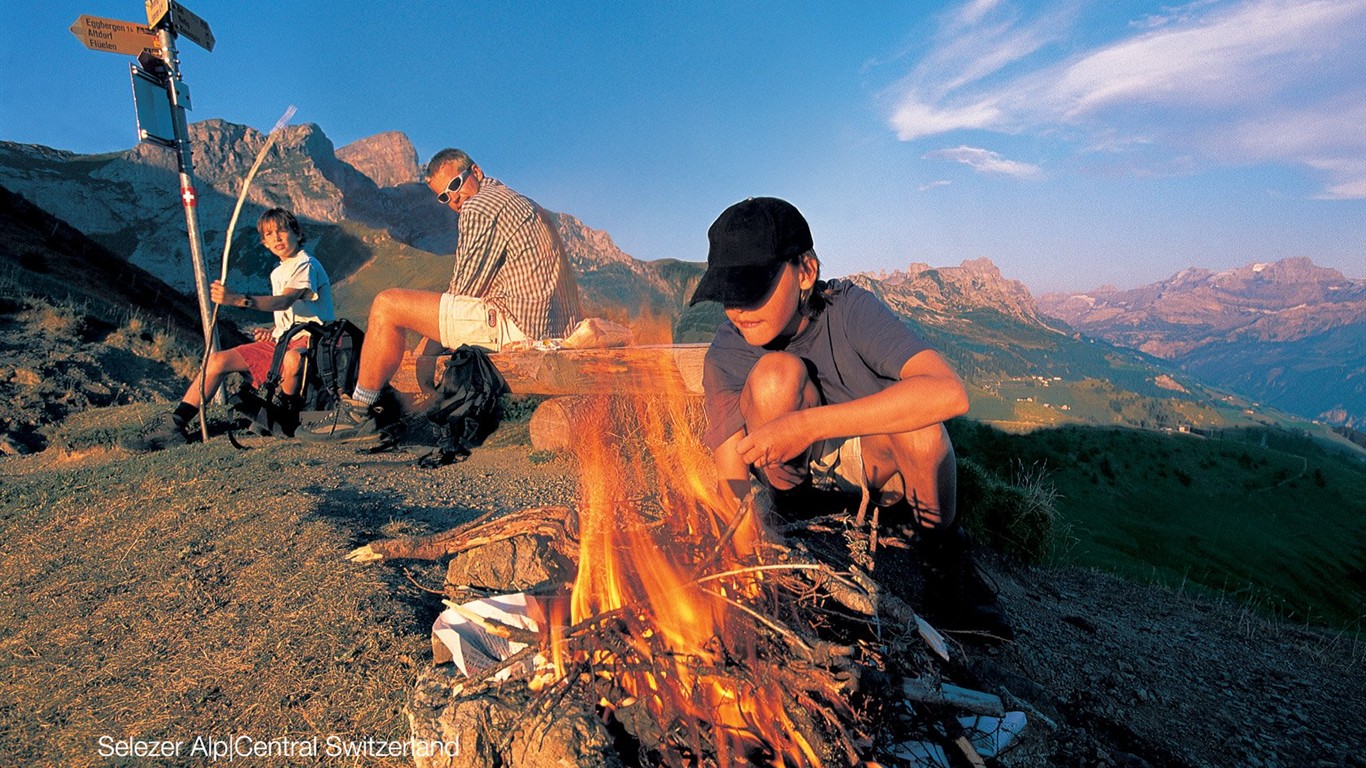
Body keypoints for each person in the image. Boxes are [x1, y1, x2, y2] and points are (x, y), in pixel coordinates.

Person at [691, 196, 1010, 640]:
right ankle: (799, 526)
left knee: (921, 427)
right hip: (793, 487)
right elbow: (732, 483)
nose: (739, 308)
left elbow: (948, 391)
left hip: (873, 467)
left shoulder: (850, 310)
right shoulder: (727, 353)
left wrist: (808, 426)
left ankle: (944, 563)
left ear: (806, 272)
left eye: (753, 288)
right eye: (728, 294)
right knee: (773, 376)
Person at [298, 148, 581, 443]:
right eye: (444, 196)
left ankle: (358, 411)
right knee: (421, 310)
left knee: (386, 305)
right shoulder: (520, 202)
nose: (453, 199)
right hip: (555, 328)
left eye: (455, 185)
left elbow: (463, 290)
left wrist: (428, 349)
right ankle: (379, 403)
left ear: (476, 172)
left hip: (521, 329)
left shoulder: (480, 206)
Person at [121, 208, 334, 451]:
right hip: (284, 341)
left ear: (297, 233)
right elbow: (297, 312)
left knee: (293, 360)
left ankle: (283, 415)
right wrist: (275, 331)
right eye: (269, 234)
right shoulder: (280, 270)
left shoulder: (305, 264)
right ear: (264, 243)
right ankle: (174, 425)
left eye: (282, 230)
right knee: (217, 360)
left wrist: (238, 300)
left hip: (309, 343)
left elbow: (284, 301)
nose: (277, 238)